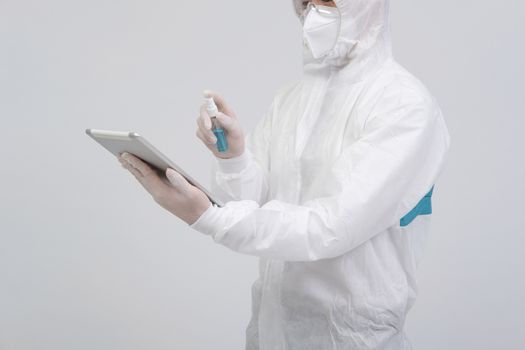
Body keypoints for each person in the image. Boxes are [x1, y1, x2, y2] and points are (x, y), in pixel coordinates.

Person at [118, 0, 450, 348]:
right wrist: (234, 159)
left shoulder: (403, 105)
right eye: (305, 3)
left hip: (352, 336)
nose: (312, 14)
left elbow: (331, 227)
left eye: (327, 1)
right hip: (274, 327)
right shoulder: (292, 99)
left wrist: (207, 218)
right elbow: (252, 204)